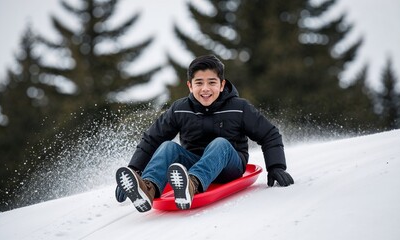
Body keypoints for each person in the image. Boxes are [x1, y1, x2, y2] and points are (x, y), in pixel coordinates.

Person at [115, 55, 294, 212]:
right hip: (193, 163)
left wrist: (276, 166)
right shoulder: (180, 109)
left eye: (212, 82)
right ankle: (148, 188)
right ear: (190, 86)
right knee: (167, 147)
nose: (205, 89)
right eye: (199, 83)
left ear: (222, 84)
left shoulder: (239, 108)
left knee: (220, 143)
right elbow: (152, 138)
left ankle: (191, 185)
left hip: (229, 166)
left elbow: (269, 134)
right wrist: (134, 168)